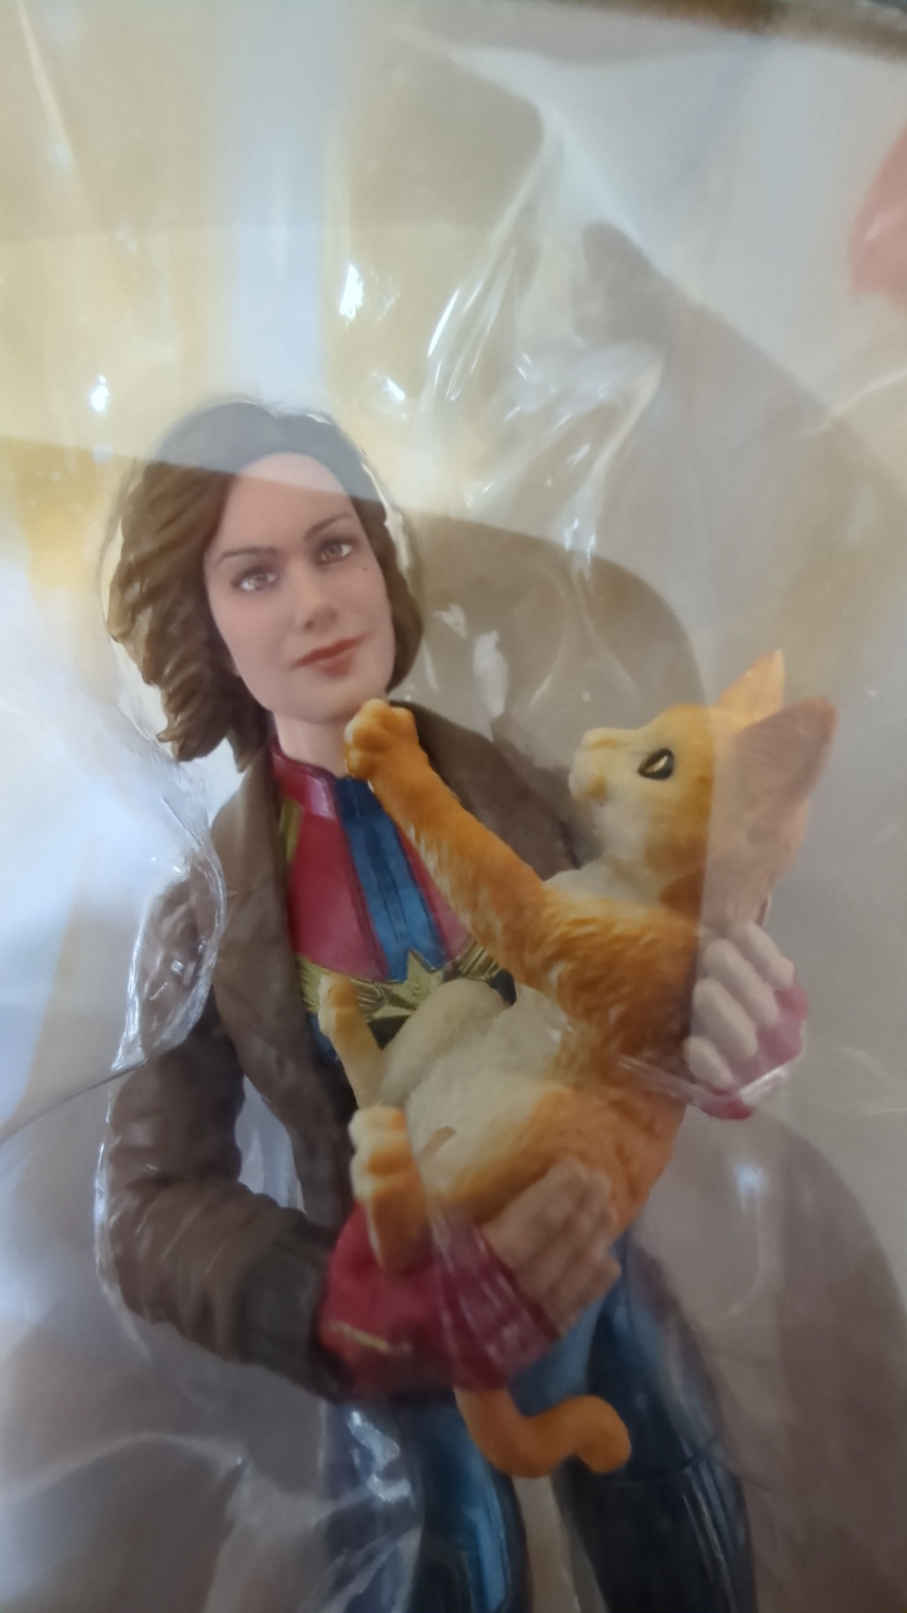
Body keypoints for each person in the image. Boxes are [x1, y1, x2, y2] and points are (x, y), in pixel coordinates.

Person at [101, 399, 803, 1613]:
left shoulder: (530, 790)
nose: (314, 601)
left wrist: (735, 1018)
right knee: (452, 1565)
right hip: (409, 1343)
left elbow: (674, 920)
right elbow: (145, 1202)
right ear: (203, 622)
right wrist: (340, 1301)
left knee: (685, 1525)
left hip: (597, 1260)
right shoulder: (209, 913)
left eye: (334, 547)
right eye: (255, 574)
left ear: (378, 562)